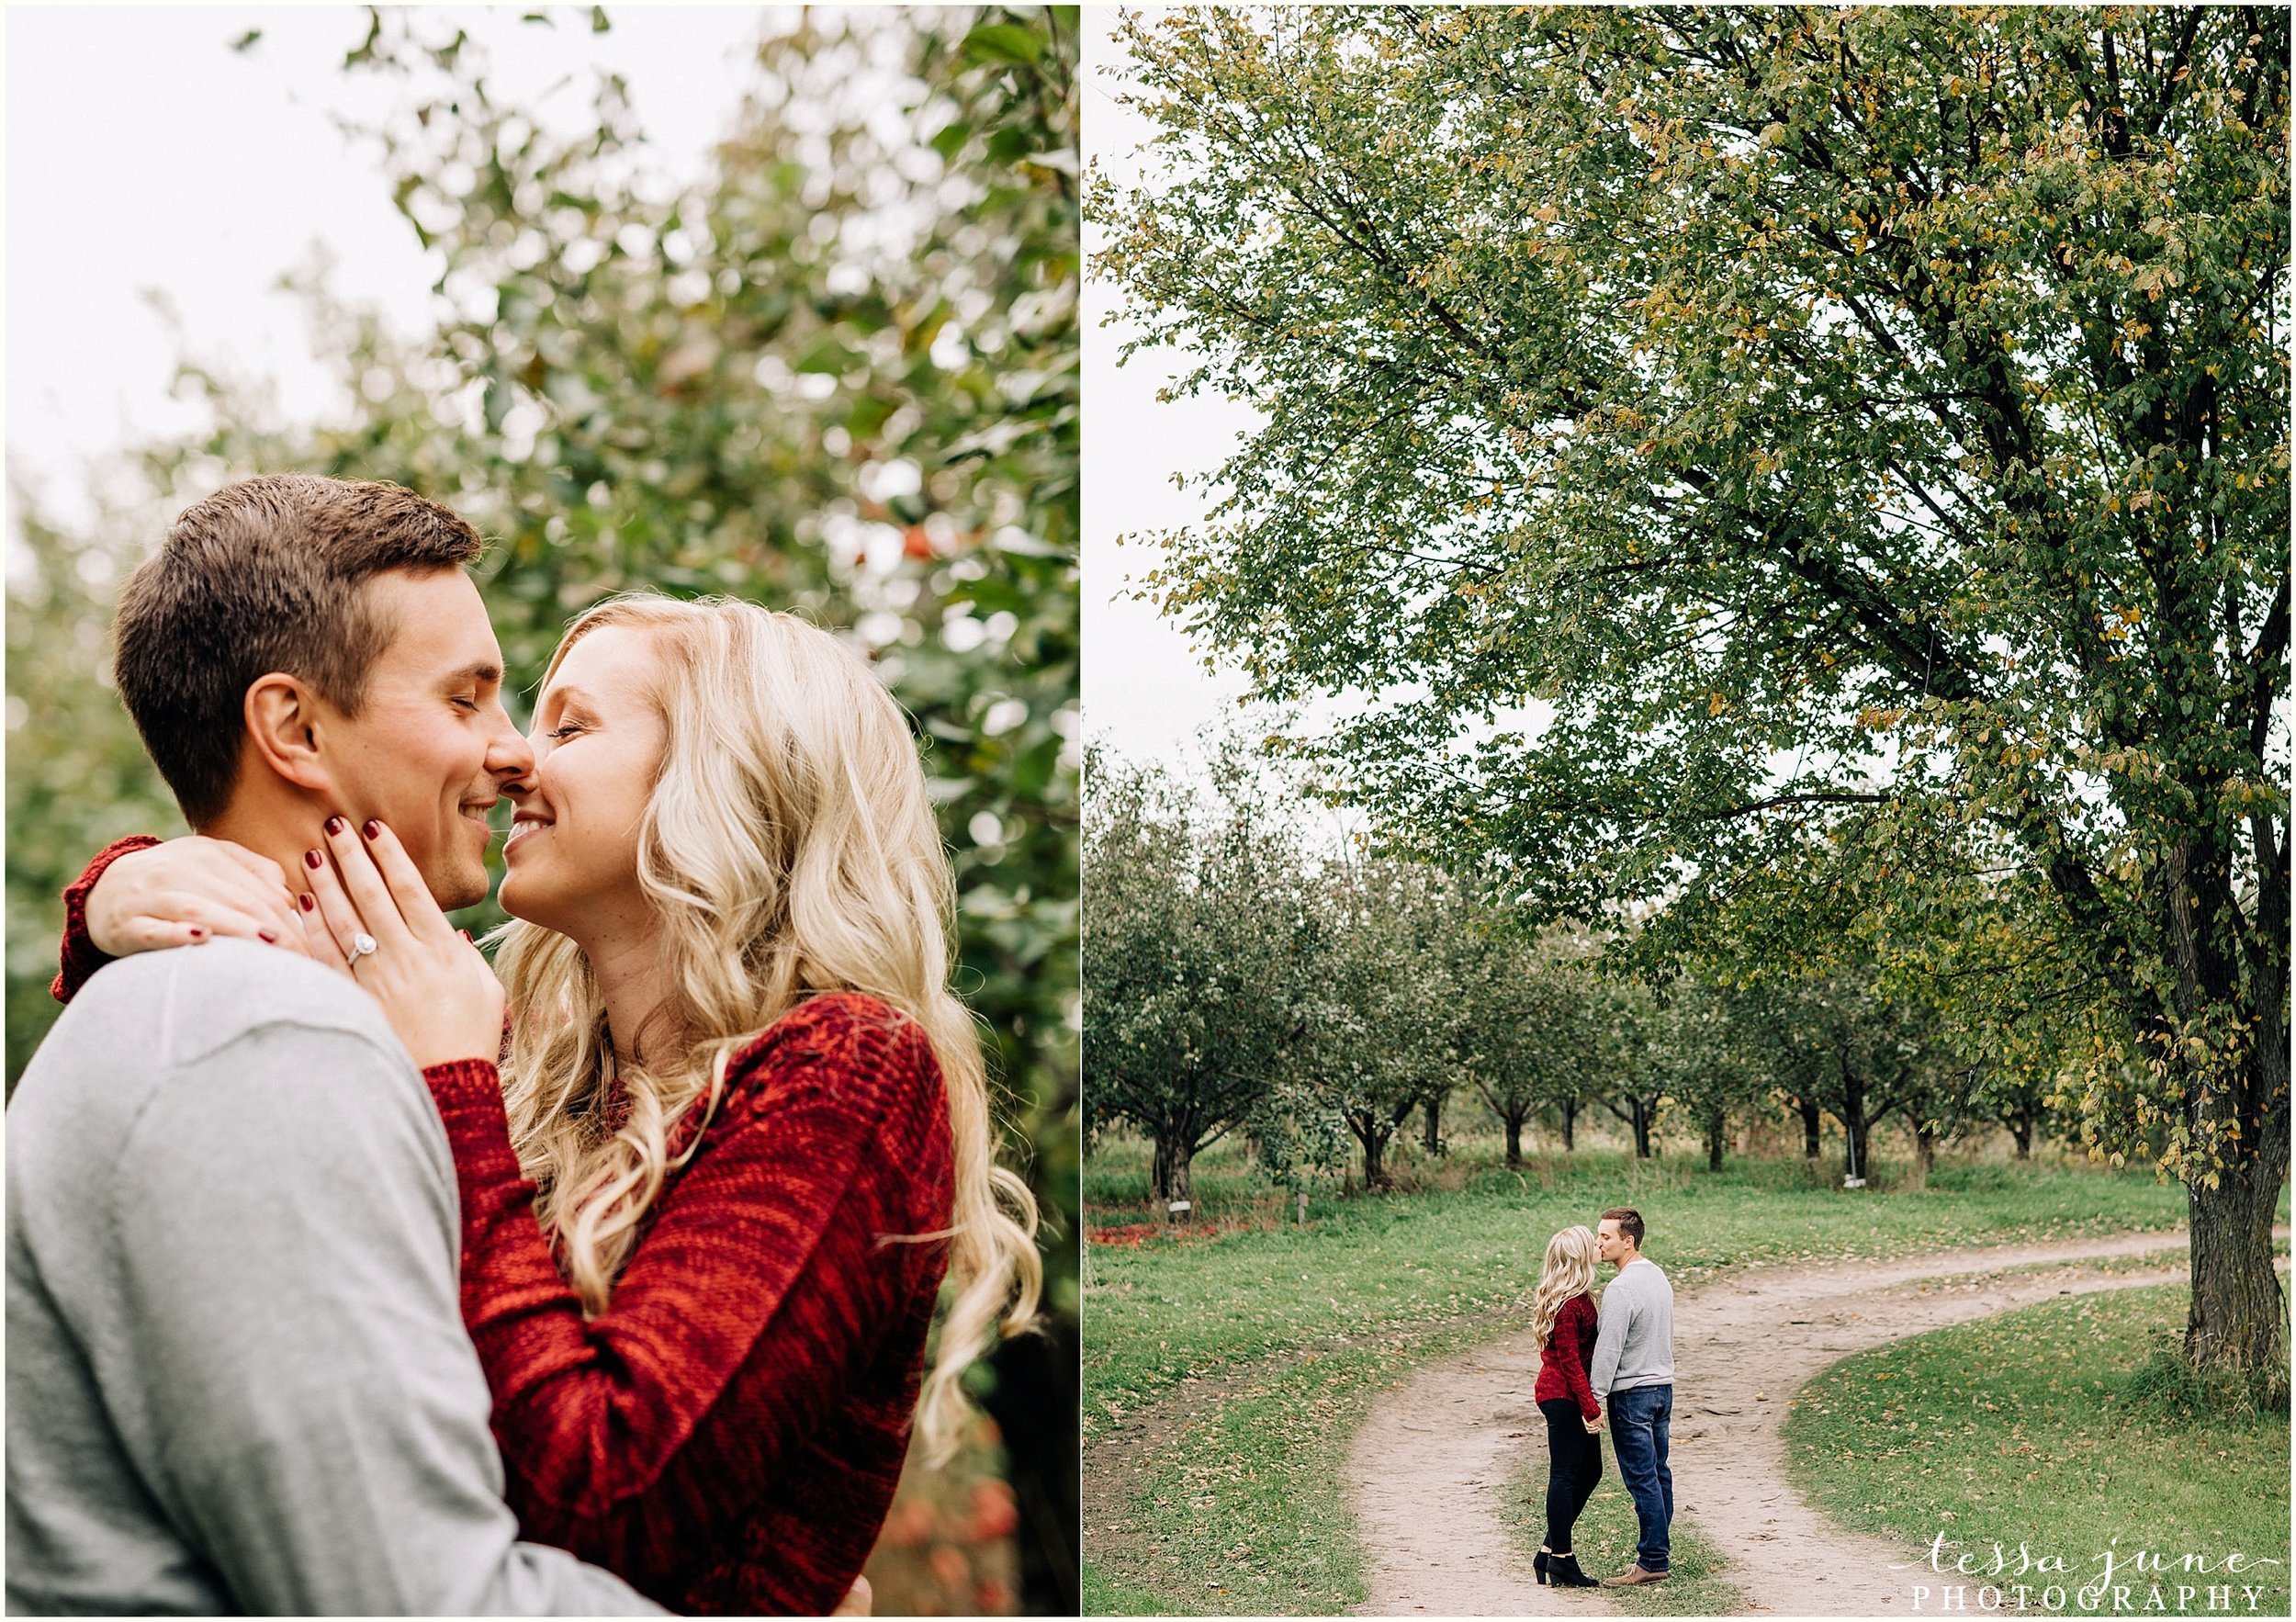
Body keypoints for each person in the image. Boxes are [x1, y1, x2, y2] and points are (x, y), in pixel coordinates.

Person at [49, 483, 1045, 1616]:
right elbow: (207, 1058)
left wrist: (453, 1085)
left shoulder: (847, 1068)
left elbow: (610, 1501)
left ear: (727, 777)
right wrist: (116, 892)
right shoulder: (552, 1071)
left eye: (569, 725)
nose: (517, 753)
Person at [7, 476, 658, 1616]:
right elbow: (414, 1594)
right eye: (467, 700)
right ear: (296, 730)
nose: (513, 755)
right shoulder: (265, 1046)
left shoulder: (270, 1014)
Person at [1588, 1206, 1675, 1587]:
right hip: (1662, 1388)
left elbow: (1608, 1349)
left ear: (1629, 1240)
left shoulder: (1621, 1288)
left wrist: (1593, 1396)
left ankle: (1653, 1560)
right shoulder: (1657, 1276)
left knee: (1642, 1479)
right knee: (1658, 1474)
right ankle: (1656, 1551)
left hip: (1631, 1394)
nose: (1598, 1243)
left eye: (1605, 1237)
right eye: (1598, 1235)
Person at [1527, 1225, 1604, 1589]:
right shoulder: (1570, 1304)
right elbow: (1571, 1362)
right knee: (1564, 1475)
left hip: (1570, 1395)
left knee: (1591, 1472)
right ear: (1578, 1255)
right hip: (1562, 1397)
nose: (1598, 1245)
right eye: (1593, 1241)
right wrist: (1590, 1409)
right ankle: (1562, 1558)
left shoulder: (1579, 1296)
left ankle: (1549, 1551)